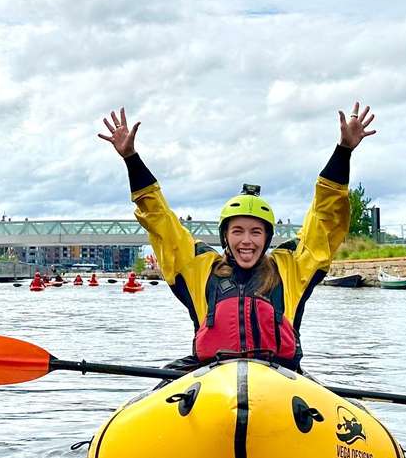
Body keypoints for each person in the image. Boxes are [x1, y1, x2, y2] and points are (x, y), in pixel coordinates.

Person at [102, 102, 375, 370]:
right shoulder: (198, 267)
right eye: (238, 231)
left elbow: (325, 219)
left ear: (267, 238)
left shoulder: (292, 267)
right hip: (211, 374)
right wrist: (131, 159)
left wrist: (344, 152)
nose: (247, 241)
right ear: (225, 237)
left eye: (256, 232)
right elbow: (160, 220)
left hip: (279, 378)